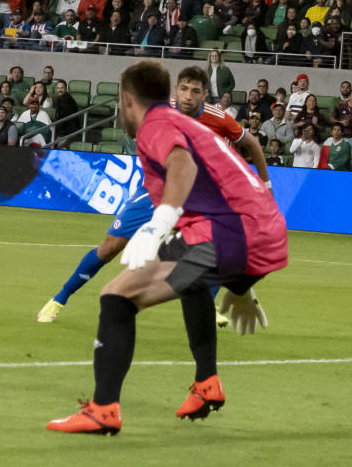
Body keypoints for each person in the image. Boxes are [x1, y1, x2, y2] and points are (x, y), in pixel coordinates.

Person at [47, 61, 287, 435]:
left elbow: (182, 165)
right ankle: (207, 383)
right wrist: (240, 283)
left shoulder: (156, 126)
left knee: (116, 295)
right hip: (258, 230)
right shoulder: (187, 123)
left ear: (127, 100)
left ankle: (103, 409)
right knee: (189, 283)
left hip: (231, 233)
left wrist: (158, 224)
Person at [38, 67, 272, 327]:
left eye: (196, 91)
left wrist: (266, 184)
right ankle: (59, 299)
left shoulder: (219, 118)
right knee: (110, 247)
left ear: (205, 94)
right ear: (176, 90)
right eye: (184, 88)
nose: (188, 95)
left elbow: (250, 143)